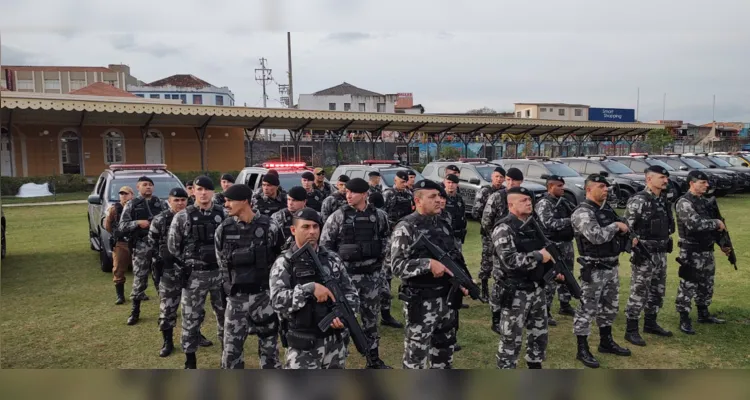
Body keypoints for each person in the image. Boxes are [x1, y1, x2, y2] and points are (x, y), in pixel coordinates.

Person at [390, 179, 469, 369]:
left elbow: (455, 256)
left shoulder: (442, 223)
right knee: (416, 358)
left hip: (447, 300)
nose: (438, 200)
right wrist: (427, 264)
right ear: (418, 200)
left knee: (444, 353)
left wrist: (464, 280)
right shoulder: (406, 227)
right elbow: (396, 266)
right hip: (421, 302)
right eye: (432, 197)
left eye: (439, 196)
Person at [269, 208, 360, 369]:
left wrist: (343, 317)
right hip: (303, 345)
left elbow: (350, 293)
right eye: (306, 227)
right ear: (293, 230)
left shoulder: (332, 259)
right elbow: (277, 301)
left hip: (334, 343)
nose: (312, 232)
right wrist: (308, 289)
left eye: (315, 227)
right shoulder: (285, 263)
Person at [320, 177, 392, 369]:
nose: (348, 195)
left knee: (371, 321)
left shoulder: (379, 216)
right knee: (343, 321)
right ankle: (338, 361)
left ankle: (373, 360)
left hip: (371, 277)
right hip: (346, 279)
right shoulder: (338, 216)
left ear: (365, 194)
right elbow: (325, 246)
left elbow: (386, 240)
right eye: (347, 192)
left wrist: (379, 265)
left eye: (353, 193)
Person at [216, 184, 283, 369]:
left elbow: (280, 262)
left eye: (230, 200)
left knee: (270, 349)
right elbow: (222, 265)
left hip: (264, 297)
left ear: (244, 201)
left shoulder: (269, 226)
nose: (226, 205)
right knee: (231, 351)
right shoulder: (223, 229)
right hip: (236, 299)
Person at [571, 173, 632, 368]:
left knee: (610, 307)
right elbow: (595, 237)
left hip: (611, 266)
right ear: (589, 189)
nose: (606, 189)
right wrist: (616, 226)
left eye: (606, 187)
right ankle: (582, 348)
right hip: (594, 268)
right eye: (601, 186)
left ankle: (606, 341)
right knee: (586, 310)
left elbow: (622, 231)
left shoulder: (606, 210)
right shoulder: (583, 212)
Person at [492, 186, 556, 369]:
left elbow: (546, 249)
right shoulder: (504, 228)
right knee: (511, 339)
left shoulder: (533, 225)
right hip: (515, 292)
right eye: (523, 200)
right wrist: (538, 256)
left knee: (539, 335)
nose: (529, 203)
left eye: (530, 200)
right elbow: (509, 261)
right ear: (511, 204)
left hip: (536, 288)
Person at [168, 175, 228, 369]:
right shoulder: (183, 216)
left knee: (225, 316)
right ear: (192, 191)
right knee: (190, 317)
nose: (203, 193)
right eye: (199, 189)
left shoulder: (223, 214)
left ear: (213, 192)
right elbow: (173, 247)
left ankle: (226, 355)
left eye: (207, 189)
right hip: (195, 276)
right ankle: (190, 360)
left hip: (219, 275)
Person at [622, 165, 675, 346]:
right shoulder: (639, 200)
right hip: (644, 255)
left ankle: (651, 323)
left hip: (661, 253)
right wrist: (634, 242)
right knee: (639, 291)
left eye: (666, 178)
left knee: (658, 290)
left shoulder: (663, 200)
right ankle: (631, 329)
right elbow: (626, 226)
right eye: (661, 177)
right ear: (649, 179)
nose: (665, 181)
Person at [674, 170, 727, 335]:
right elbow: (694, 225)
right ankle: (684, 317)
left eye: (706, 182)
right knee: (688, 284)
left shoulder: (704, 202)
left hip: (706, 249)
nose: (706, 185)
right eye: (702, 182)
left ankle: (703, 313)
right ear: (691, 183)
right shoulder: (684, 202)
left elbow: (714, 229)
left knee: (706, 283)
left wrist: (722, 243)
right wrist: (716, 223)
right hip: (691, 251)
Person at [147, 187, 189, 358]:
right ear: (169, 201)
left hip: (190, 269)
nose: (180, 203)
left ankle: (195, 334)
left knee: (194, 308)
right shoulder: (160, 219)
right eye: (176, 200)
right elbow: (152, 243)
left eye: (183, 200)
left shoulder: (192, 217)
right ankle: (168, 342)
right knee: (168, 308)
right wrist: (162, 259)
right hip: (169, 270)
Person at [120, 176, 167, 325]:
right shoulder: (132, 205)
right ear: (138, 187)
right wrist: (137, 223)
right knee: (140, 279)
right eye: (145, 185)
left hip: (158, 246)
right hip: (141, 246)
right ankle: (135, 312)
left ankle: (165, 311)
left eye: (150, 185)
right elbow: (122, 226)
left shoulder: (160, 203)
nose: (148, 187)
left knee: (161, 278)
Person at [481, 167, 522, 333]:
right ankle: (495, 318)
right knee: (500, 279)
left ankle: (514, 311)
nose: (510, 183)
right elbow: (486, 221)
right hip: (500, 244)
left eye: (514, 180)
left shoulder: (523, 197)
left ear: (520, 182)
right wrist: (497, 238)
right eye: (508, 180)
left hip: (519, 245)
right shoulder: (497, 196)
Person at [534, 174, 576, 327]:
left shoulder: (564, 202)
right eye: (559, 186)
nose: (562, 188)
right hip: (552, 245)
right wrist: (570, 221)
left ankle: (565, 304)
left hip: (566, 243)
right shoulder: (544, 203)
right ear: (550, 186)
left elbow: (576, 214)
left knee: (567, 274)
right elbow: (549, 223)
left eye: (562, 185)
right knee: (551, 278)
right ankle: (545, 310)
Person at [380, 170, 414, 329]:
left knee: (406, 265)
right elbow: (381, 213)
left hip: (406, 235)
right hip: (390, 235)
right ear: (395, 180)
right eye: (401, 180)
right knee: (387, 269)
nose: (404, 183)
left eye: (405, 181)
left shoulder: (408, 195)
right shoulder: (388, 194)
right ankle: (385, 312)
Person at [475, 166, 506, 301]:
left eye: (501, 177)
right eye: (497, 176)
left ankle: (500, 288)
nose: (499, 179)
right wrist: (488, 225)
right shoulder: (485, 191)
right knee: (487, 260)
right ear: (492, 177)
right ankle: (484, 288)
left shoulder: (505, 193)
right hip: (488, 233)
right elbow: (477, 211)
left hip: (503, 233)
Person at [104, 185, 134, 305]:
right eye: (121, 194)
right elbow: (108, 225)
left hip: (135, 241)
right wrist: (117, 234)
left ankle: (139, 292)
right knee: (118, 269)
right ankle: (120, 295)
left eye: (126, 193)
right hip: (121, 243)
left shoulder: (136, 207)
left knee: (140, 269)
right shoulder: (114, 209)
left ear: (132, 195)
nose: (124, 196)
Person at [271, 186, 308, 251]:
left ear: (304, 202)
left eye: (294, 200)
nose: (290, 203)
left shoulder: (312, 216)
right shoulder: (277, 216)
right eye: (288, 199)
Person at [442, 174, 467, 251]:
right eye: (448, 182)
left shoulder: (459, 199)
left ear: (457, 184)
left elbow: (463, 215)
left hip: (457, 236)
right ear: (444, 183)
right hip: (444, 236)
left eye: (453, 183)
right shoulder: (440, 198)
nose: (451, 185)